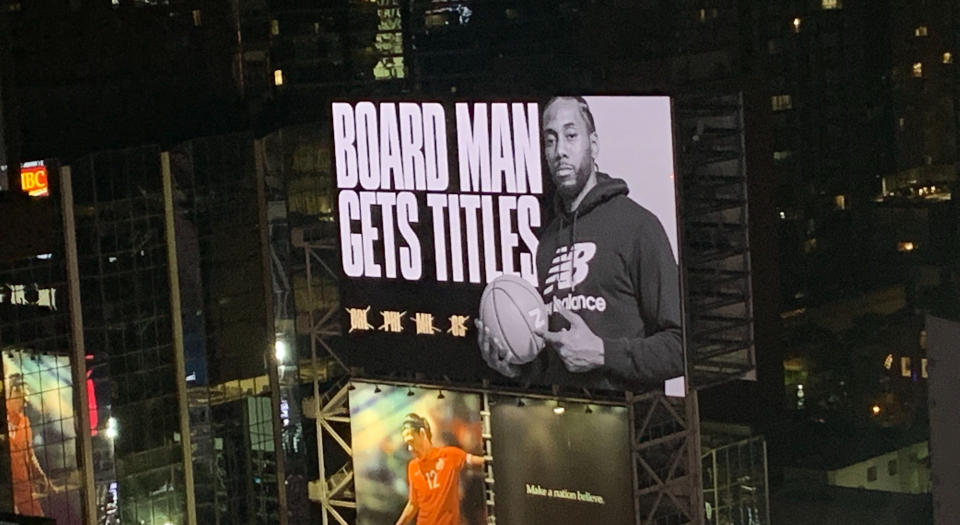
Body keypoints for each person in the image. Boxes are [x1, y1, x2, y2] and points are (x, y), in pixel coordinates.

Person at [477, 96, 683, 391]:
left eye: (571, 136)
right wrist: (515, 367)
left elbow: (680, 348)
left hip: (634, 427)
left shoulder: (638, 227)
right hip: (565, 423)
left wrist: (602, 352)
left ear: (594, 144)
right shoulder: (547, 243)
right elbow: (555, 362)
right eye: (550, 140)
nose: (560, 151)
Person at [394, 413, 485, 525]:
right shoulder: (412, 466)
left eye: (412, 442)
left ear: (422, 434)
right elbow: (413, 503)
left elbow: (478, 461)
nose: (410, 448)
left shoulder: (450, 455)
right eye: (407, 444)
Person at [4, 373, 54, 516]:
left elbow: (29, 453)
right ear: (13, 392)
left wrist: (41, 475)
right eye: (23, 399)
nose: (25, 404)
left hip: (24, 488)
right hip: (7, 491)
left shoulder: (24, 422)